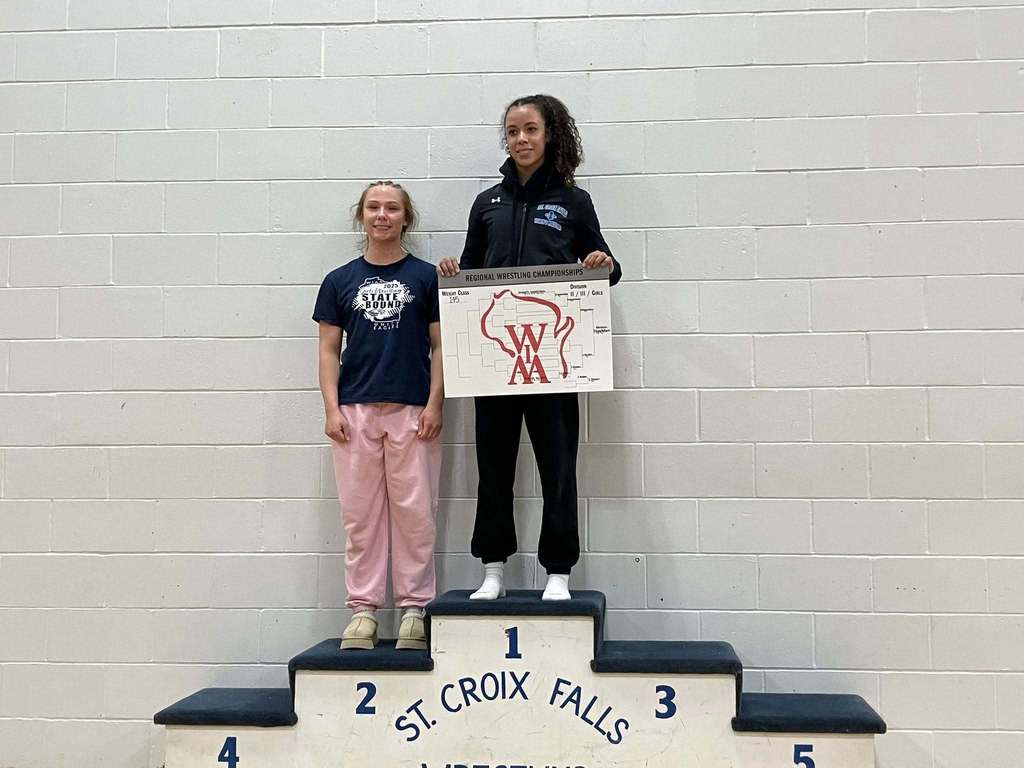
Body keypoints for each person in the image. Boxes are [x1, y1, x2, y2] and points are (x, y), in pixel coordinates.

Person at [437, 94, 622, 601]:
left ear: (549, 134)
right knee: (492, 466)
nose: (521, 139)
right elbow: (471, 274)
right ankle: (492, 567)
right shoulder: (486, 204)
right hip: (496, 364)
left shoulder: (573, 201)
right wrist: (455, 273)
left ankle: (558, 571)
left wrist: (600, 264)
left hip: (555, 365)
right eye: (513, 131)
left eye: (531, 129)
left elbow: (609, 269)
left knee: (558, 466)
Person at [314, 181, 443, 649]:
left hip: (412, 410)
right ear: (361, 216)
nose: (382, 215)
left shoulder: (425, 277)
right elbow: (329, 350)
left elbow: (440, 345)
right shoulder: (339, 281)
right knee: (360, 517)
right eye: (374, 207)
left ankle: (414, 609)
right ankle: (363, 611)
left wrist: (435, 402)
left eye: (392, 208)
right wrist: (332, 408)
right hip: (355, 412)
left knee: (415, 514)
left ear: (405, 217)